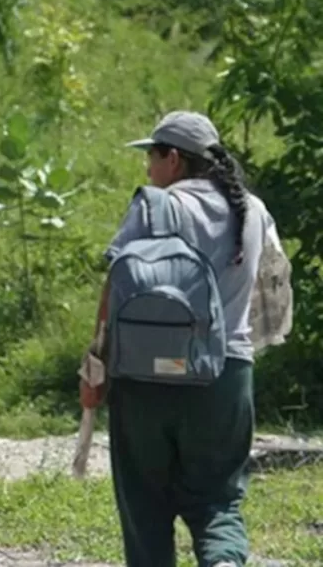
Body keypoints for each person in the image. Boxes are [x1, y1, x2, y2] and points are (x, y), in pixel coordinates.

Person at [81, 111, 268, 567]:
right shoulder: (255, 212)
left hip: (145, 379)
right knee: (218, 499)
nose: (148, 167)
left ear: (175, 160)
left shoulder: (154, 206)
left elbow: (115, 289)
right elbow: (269, 295)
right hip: (224, 376)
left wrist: (95, 366)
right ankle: (224, 561)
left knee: (144, 503)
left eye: (152, 155)